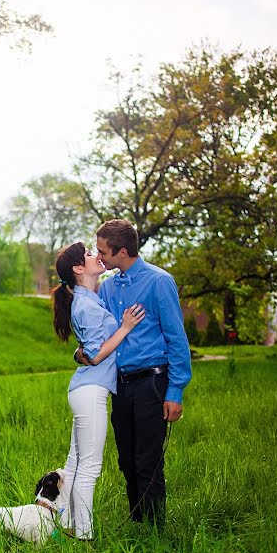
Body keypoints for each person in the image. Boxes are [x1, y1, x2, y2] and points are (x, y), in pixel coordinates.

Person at [77, 219, 192, 526]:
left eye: (103, 251)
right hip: (121, 386)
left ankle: (154, 529)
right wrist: (81, 351)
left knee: (147, 461)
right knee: (126, 459)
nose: (99, 256)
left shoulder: (159, 282)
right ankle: (137, 522)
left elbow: (177, 339)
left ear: (123, 251)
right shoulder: (109, 287)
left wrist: (175, 391)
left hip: (153, 382)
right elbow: (98, 335)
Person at [51, 241, 145, 540]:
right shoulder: (86, 304)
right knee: (89, 468)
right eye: (91, 255)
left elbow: (87, 351)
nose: (97, 256)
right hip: (90, 391)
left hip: (87, 389)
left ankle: (62, 522)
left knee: (76, 463)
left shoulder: (88, 298)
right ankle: (84, 536)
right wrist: (126, 327)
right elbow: (95, 354)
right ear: (79, 268)